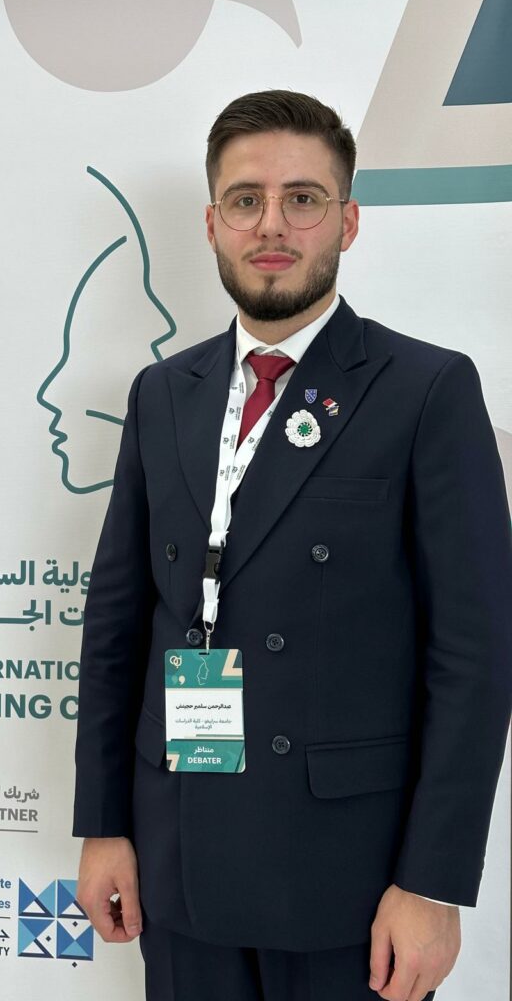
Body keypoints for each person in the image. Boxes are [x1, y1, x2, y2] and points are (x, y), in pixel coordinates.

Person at [72, 90, 512, 1001]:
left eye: (303, 199)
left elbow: (475, 656)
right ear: (212, 224)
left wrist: (432, 883)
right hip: (180, 857)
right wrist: (104, 824)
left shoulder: (425, 389)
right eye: (246, 200)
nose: (271, 224)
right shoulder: (163, 393)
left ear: (347, 221)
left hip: (350, 882)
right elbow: (117, 623)